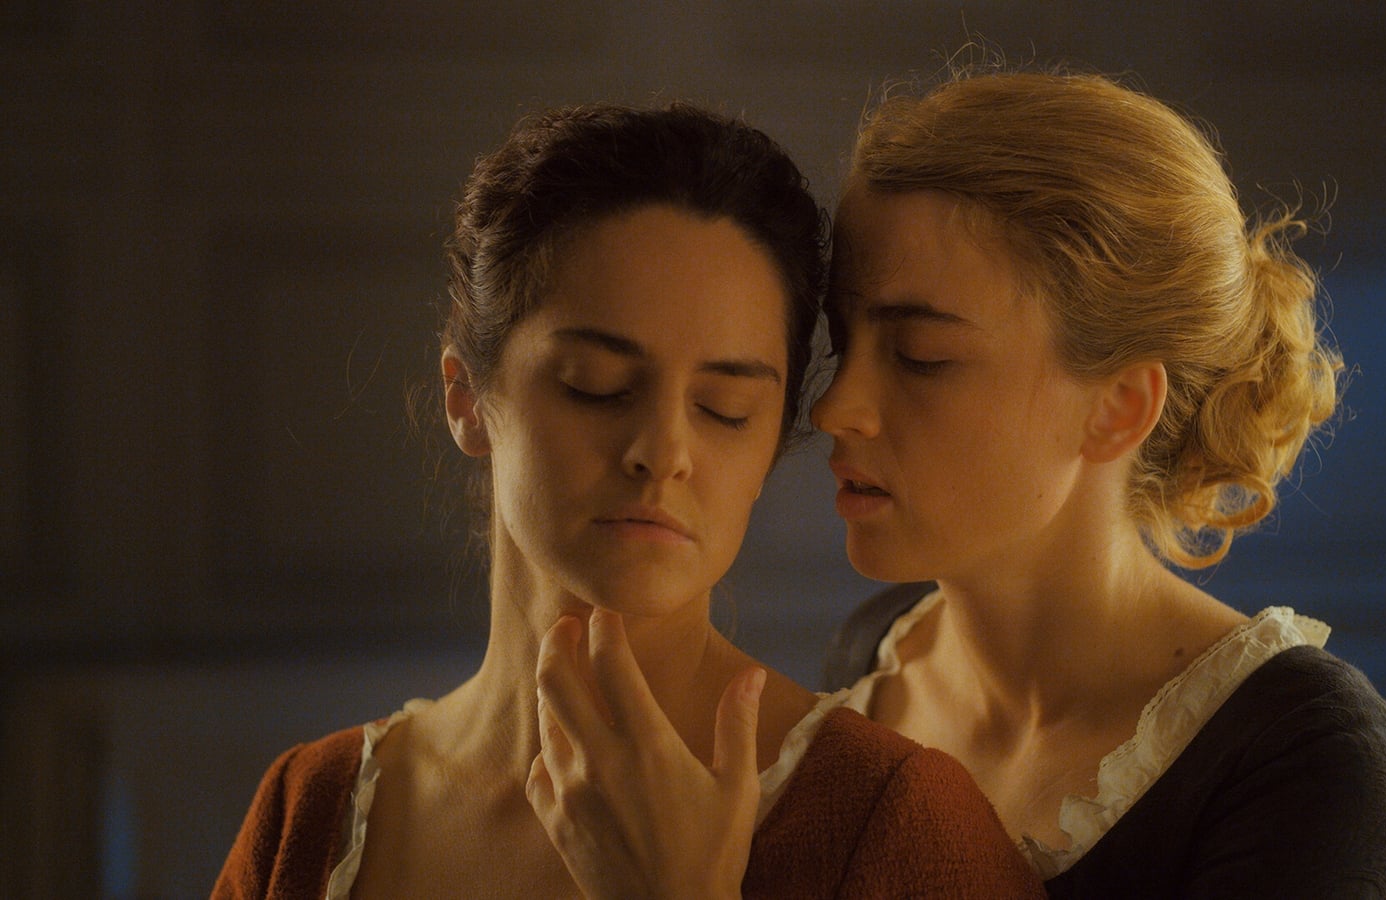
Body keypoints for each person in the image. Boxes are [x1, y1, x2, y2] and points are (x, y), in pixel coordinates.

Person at [534, 69, 1386, 898]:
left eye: (922, 356)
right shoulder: (872, 654)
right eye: (844, 344)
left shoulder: (1317, 769)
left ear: (1117, 408)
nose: (838, 407)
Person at [210, 102, 1043, 899]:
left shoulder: (895, 824)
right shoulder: (314, 811)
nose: (664, 454)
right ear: (466, 397)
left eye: (725, 410)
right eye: (598, 385)